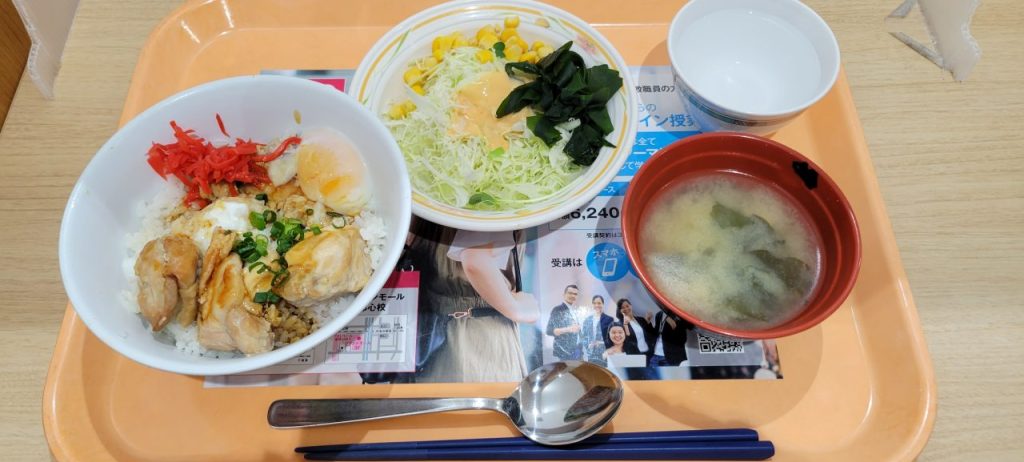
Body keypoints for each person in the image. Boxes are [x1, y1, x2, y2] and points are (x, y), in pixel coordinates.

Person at [407, 219, 539, 382]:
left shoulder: (423, 204)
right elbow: (475, 259)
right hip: (478, 342)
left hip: (424, 340)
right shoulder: (489, 201)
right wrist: (518, 309)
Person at [616, 298, 658, 379]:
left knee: (652, 378)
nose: (626, 308)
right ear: (620, 310)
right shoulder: (620, 324)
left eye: (627, 306)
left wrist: (648, 322)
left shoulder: (640, 319)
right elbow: (626, 340)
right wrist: (625, 323)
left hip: (648, 354)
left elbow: (652, 334)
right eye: (623, 307)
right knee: (640, 378)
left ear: (631, 306)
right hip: (635, 356)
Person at [546, 284, 582, 361]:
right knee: (567, 373)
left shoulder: (575, 311)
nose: (572, 296)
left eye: (575, 294)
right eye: (570, 293)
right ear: (564, 294)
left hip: (577, 351)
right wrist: (569, 329)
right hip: (565, 352)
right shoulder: (557, 310)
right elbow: (549, 331)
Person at [580, 295, 614, 365]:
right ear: (592, 304)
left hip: (604, 353)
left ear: (603, 304)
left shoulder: (609, 319)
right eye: (594, 303)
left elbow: (612, 338)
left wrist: (601, 343)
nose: (597, 305)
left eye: (599, 303)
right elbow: (584, 337)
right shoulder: (587, 320)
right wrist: (588, 346)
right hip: (591, 354)